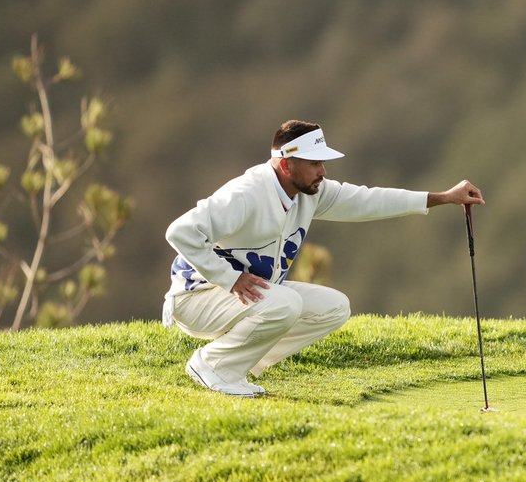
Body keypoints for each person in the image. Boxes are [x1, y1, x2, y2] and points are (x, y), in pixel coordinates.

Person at [163, 119, 484, 397]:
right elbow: (180, 232)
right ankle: (213, 365)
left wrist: (443, 198)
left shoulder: (312, 193)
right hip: (197, 297)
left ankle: (234, 364)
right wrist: (230, 278)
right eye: (315, 163)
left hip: (240, 297)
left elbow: (369, 201)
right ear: (286, 165)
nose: (323, 171)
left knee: (334, 307)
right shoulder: (245, 195)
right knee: (284, 303)